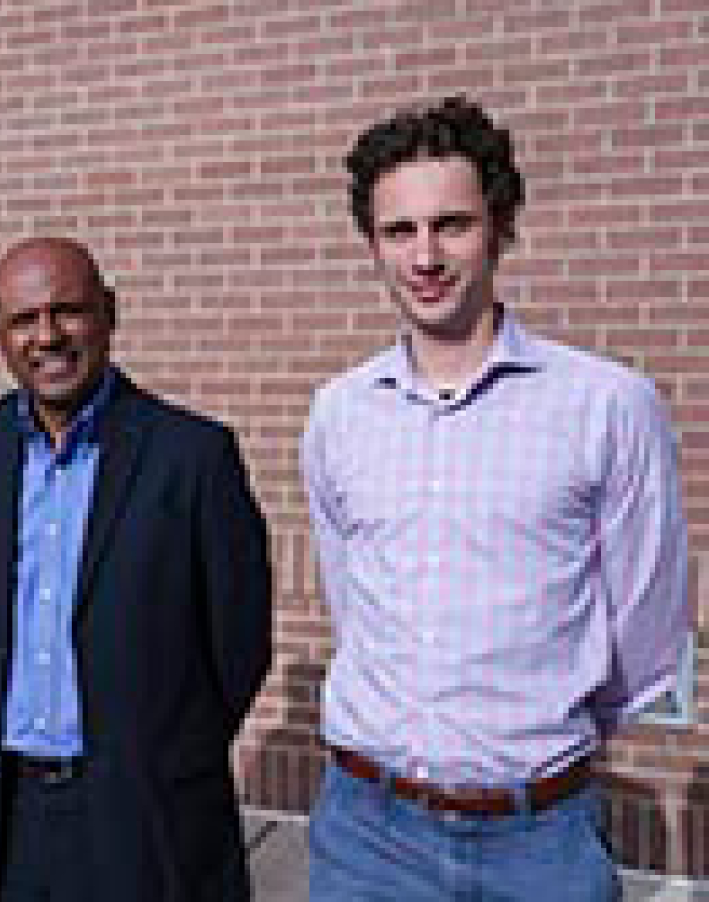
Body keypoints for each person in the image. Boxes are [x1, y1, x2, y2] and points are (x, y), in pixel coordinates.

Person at [301, 96, 690, 900]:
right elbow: (356, 603)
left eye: (453, 224)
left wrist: (532, 734)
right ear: (372, 245)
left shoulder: (606, 406)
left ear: (501, 226)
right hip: (366, 836)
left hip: (540, 844)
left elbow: (645, 632)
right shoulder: (339, 413)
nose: (426, 256)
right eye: (399, 232)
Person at [0, 236, 272, 902]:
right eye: (23, 319)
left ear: (109, 313)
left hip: (143, 814)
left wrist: (164, 749)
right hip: (1, 816)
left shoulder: (194, 455)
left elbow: (238, 644)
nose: (47, 336)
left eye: (69, 311)